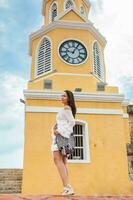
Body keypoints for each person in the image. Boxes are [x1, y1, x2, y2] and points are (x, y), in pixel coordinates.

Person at [51, 90, 77, 195]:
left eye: (64, 96)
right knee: (63, 161)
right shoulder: (65, 109)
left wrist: (60, 131)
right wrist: (55, 127)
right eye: (61, 95)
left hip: (62, 137)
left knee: (57, 160)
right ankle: (67, 187)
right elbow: (63, 122)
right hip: (62, 136)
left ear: (69, 98)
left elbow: (72, 122)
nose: (62, 97)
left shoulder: (67, 108)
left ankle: (67, 187)